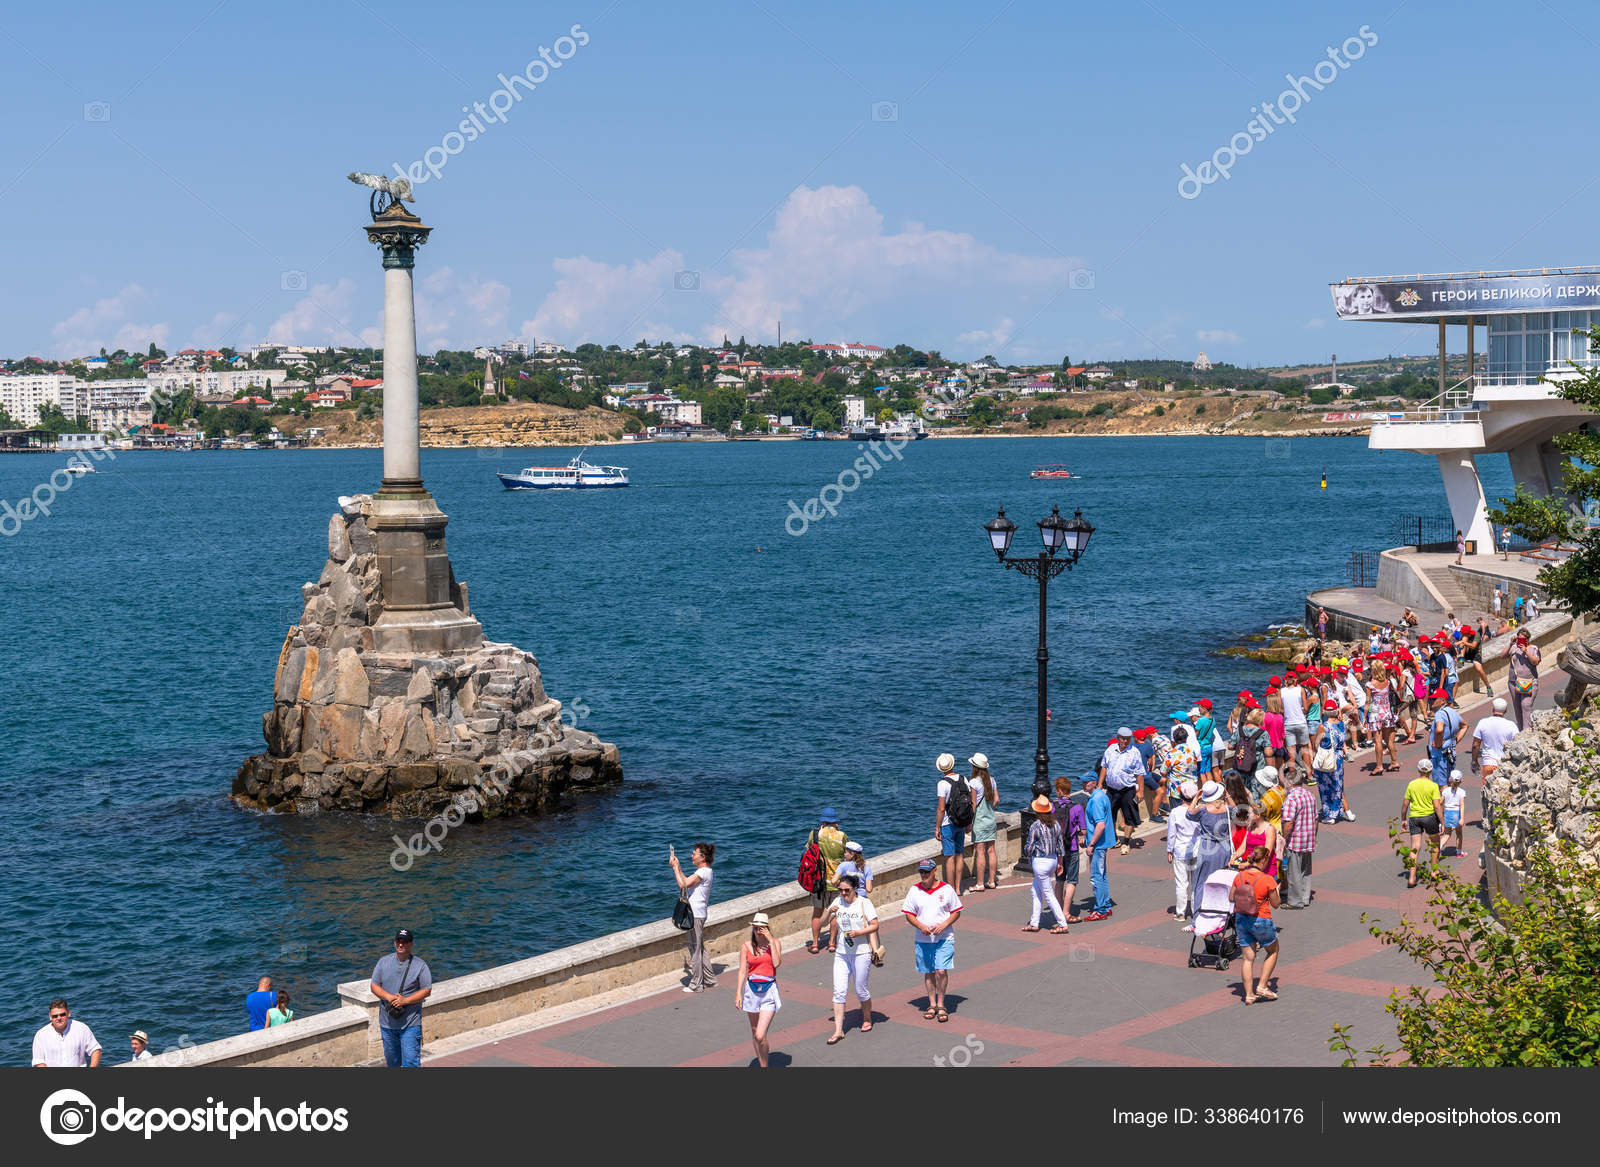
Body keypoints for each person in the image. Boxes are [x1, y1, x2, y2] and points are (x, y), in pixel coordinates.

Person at [902, 857, 962, 1021]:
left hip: (944, 937)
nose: (923, 875)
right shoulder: (914, 890)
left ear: (935, 871)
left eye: (926, 872)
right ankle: (932, 1003)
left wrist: (944, 924)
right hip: (923, 939)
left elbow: (956, 911)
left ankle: (941, 1004)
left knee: (941, 970)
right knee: (929, 972)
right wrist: (921, 926)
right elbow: (909, 914)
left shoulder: (946, 889)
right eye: (921, 872)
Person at [821, 876, 876, 1042]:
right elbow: (823, 923)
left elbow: (875, 925)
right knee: (839, 991)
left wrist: (859, 933)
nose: (843, 893)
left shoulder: (864, 903)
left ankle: (867, 1017)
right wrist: (830, 911)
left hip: (861, 952)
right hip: (842, 953)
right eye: (841, 890)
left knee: (861, 989)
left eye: (847, 890)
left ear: (855, 889)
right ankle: (838, 1030)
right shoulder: (838, 901)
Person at [370, 928, 433, 1067]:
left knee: (411, 1062)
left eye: (405, 941)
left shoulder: (420, 965)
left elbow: (427, 990)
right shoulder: (383, 962)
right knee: (393, 1063)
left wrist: (405, 1001)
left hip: (410, 1024)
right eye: (398, 941)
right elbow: (374, 985)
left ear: (411, 944)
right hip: (387, 1025)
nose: (401, 944)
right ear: (394, 943)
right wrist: (389, 997)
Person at [1232, 845, 1281, 1005]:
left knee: (1248, 958)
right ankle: (1262, 985)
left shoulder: (1239, 876)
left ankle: (1249, 995)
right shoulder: (1267, 879)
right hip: (1261, 919)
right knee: (1273, 950)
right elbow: (1276, 904)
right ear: (1264, 860)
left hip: (1241, 919)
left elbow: (1231, 897)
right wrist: (1276, 890)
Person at [736, 912, 783, 1065]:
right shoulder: (746, 946)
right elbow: (743, 971)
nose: (758, 931)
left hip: (769, 991)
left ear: (767, 928)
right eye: (756, 928)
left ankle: (764, 1064)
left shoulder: (775, 943)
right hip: (752, 991)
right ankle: (764, 1065)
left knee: (760, 1035)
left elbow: (776, 963)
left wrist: (770, 939)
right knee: (755, 1032)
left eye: (761, 928)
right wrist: (738, 993)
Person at [670, 841, 716, 990]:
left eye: (694, 853)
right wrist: (679, 868)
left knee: (694, 948)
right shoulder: (705, 872)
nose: (692, 855)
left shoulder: (702, 872)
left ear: (702, 857)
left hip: (695, 914)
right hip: (699, 913)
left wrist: (675, 868)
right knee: (700, 948)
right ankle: (709, 979)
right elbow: (686, 881)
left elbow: (682, 885)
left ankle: (697, 984)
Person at [1021, 795, 1070, 934]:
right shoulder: (1055, 824)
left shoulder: (1036, 825)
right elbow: (1060, 846)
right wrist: (1060, 863)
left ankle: (1062, 923)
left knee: (1048, 894)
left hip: (1041, 862)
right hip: (1053, 860)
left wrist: (1029, 851)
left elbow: (1029, 847)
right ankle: (1034, 922)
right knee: (1035, 890)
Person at [934, 753, 981, 890]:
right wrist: (968, 822)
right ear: (952, 764)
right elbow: (970, 802)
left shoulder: (942, 784)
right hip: (961, 821)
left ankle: (951, 888)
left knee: (949, 857)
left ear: (941, 769)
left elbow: (941, 809)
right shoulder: (963, 779)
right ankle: (959, 888)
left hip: (948, 824)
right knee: (959, 854)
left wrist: (937, 827)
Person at [808, 810, 850, 952]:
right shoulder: (842, 836)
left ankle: (814, 944)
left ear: (823, 822)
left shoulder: (814, 834)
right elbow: (849, 853)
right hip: (836, 882)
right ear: (835, 822)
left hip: (818, 882)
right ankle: (832, 943)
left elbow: (809, 851)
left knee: (817, 913)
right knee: (834, 913)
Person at [1100, 727, 1147, 854]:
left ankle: (1126, 842)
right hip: (1111, 790)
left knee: (1129, 817)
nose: (1125, 741)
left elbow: (1140, 774)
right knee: (1109, 815)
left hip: (1128, 790)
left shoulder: (1134, 752)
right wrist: (1100, 784)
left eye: (1128, 739)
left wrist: (1140, 790)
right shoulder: (1110, 750)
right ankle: (1114, 840)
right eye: (1123, 739)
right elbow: (1104, 767)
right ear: (1118, 738)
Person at [1279, 769, 1320, 909]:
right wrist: (1314, 836)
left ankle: (1295, 901)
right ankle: (1304, 897)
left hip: (1295, 840)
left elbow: (1289, 823)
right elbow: (1316, 819)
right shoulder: (1310, 795)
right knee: (1305, 870)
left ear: (1290, 782)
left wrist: (1283, 839)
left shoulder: (1291, 799)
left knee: (1293, 872)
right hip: (1308, 838)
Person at [1051, 775, 1087, 925]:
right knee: (1072, 881)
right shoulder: (1077, 807)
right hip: (1071, 848)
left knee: (1059, 881)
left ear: (1059, 791)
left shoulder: (1053, 807)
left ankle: (1058, 911)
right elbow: (1084, 831)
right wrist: (1078, 833)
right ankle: (1066, 912)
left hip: (1057, 850)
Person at [1402, 764, 1445, 887]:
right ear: (1430, 771)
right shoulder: (1433, 786)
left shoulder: (1412, 784)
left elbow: (1405, 804)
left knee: (1415, 847)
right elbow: (1437, 806)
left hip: (1414, 817)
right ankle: (1434, 871)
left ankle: (1411, 877)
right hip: (1429, 817)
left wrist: (1403, 819)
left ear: (1418, 770)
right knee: (1435, 845)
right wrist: (1442, 822)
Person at [1189, 780, 1234, 895]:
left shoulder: (1203, 810)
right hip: (1224, 849)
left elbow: (1189, 814)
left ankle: (1201, 909)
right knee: (1224, 881)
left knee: (1202, 882)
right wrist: (1227, 794)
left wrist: (1195, 799)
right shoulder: (1227, 809)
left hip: (1207, 849)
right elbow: (1237, 810)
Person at [1165, 779, 1201, 921]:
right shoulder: (1199, 810)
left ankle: (1180, 913)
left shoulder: (1175, 812)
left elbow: (1172, 833)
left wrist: (1169, 850)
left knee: (1181, 883)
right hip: (1197, 849)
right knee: (1196, 883)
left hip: (1180, 850)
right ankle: (1196, 911)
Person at [1080, 771, 1115, 920]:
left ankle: (1100, 910)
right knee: (1102, 875)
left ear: (1094, 782)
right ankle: (1105, 905)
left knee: (1096, 877)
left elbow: (1100, 825)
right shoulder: (1102, 796)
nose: (1083, 784)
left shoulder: (1095, 800)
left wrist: (1091, 843)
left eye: (1086, 782)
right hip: (1103, 842)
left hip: (1098, 844)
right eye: (1082, 781)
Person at [1312, 700, 1351, 823]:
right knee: (1337, 784)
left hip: (1327, 757)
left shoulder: (1323, 726)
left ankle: (1330, 814)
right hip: (1338, 756)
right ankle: (1337, 811)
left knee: (1325, 786)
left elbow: (1316, 743)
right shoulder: (1341, 724)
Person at [33, 999, 101, 1067]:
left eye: (62, 1014)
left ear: (68, 1013)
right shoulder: (41, 1035)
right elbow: (39, 1061)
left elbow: (95, 1049)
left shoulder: (81, 1028)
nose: (59, 1018)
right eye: (55, 1016)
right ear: (50, 1017)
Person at [968, 753, 1000, 892]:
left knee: (980, 852)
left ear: (974, 767)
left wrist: (968, 822)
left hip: (980, 822)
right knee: (991, 850)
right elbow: (997, 800)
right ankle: (992, 881)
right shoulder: (992, 780)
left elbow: (973, 804)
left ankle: (980, 883)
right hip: (990, 820)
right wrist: (990, 809)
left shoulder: (974, 783)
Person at [1471, 697, 1519, 781]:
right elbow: (1517, 744)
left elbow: (1476, 745)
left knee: (1487, 791)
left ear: (1493, 709)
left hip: (1488, 764)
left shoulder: (1483, 722)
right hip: (1505, 764)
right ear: (1505, 710)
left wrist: (1474, 761)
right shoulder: (1511, 725)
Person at [1507, 627, 1541, 731]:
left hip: (1529, 682)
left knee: (1526, 705)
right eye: (1518, 639)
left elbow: (1536, 661)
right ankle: (1521, 729)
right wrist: (1510, 644)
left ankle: (1527, 730)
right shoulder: (1513, 648)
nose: (1520, 641)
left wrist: (1526, 651)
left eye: (1522, 639)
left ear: (1528, 639)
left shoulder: (1533, 648)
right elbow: (1502, 656)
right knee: (1517, 707)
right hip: (1514, 682)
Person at [1429, 688, 1464, 787]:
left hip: (1440, 755)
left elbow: (1439, 729)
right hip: (1450, 752)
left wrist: (1437, 743)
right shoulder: (1452, 711)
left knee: (1441, 785)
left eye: (1434, 699)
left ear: (1443, 701)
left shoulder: (1439, 714)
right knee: (1450, 783)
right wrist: (1455, 741)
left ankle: (1443, 803)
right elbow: (1464, 726)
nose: (1431, 701)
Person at [1279, 673, 1311, 780]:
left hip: (1288, 723)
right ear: (1295, 680)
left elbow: (1280, 709)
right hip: (1301, 722)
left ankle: (1293, 776)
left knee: (1291, 751)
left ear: (1286, 680)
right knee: (1305, 749)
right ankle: (1309, 775)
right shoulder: (1300, 689)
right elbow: (1305, 708)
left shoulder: (1281, 691)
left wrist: (1288, 712)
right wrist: (1300, 710)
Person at [1458, 623, 1491, 696]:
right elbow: (1460, 647)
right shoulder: (1463, 636)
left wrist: (1463, 642)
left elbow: (1473, 646)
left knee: (1479, 669)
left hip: (1476, 653)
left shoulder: (1477, 635)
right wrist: (1460, 644)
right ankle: (1461, 659)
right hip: (1467, 653)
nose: (1462, 635)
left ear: (1468, 633)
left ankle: (1488, 686)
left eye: (1463, 633)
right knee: (1464, 640)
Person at [1441, 770, 1468, 857]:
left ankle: (1438, 848)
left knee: (1447, 834)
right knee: (1459, 834)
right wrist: (1462, 818)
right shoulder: (1462, 792)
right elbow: (1462, 805)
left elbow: (1440, 802)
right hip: (1456, 813)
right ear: (1461, 780)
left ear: (1449, 779)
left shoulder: (1445, 790)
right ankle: (1459, 853)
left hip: (1447, 813)